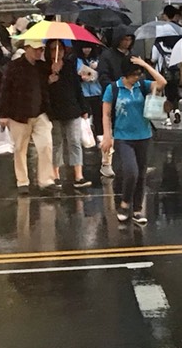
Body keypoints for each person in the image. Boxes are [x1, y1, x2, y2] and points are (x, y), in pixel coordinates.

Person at [101, 60, 163, 223]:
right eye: (134, 74)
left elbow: (162, 82)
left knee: (141, 174)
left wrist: (145, 65)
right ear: (125, 74)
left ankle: (137, 209)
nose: (137, 77)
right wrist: (107, 136)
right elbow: (106, 114)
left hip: (144, 135)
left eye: (139, 74)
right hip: (123, 137)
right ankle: (124, 203)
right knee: (131, 172)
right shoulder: (113, 88)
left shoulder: (142, 85)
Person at [0, 41, 57, 194]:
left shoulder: (42, 67)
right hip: (18, 114)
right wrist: (3, 114)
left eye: (41, 50)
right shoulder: (13, 67)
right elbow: (5, 90)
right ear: (26, 49)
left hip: (40, 112)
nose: (39, 52)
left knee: (45, 145)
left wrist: (52, 77)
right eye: (36, 49)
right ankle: (22, 181)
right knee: (20, 148)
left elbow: (45, 86)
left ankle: (46, 180)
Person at [47, 42, 90, 190]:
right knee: (56, 143)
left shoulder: (70, 65)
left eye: (60, 49)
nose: (57, 53)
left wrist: (83, 107)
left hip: (72, 108)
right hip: (54, 111)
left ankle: (78, 175)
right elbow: (42, 89)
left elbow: (77, 87)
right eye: (53, 49)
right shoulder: (44, 66)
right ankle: (55, 174)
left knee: (75, 141)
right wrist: (52, 77)